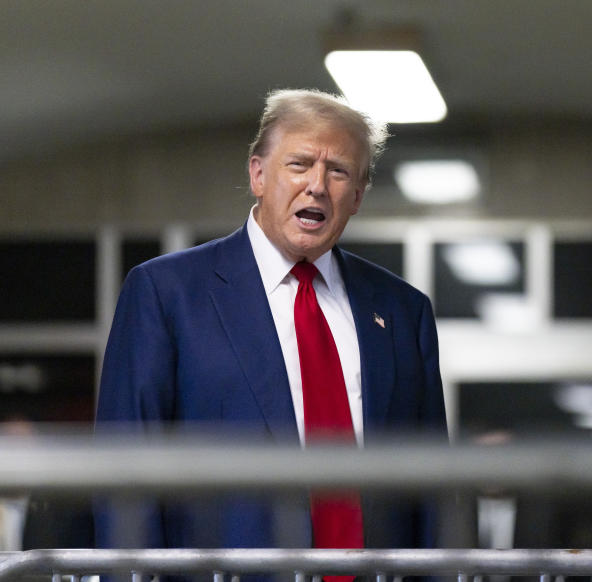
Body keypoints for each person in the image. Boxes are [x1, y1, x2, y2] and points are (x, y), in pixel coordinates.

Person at [95, 89, 448, 564]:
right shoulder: (166, 293)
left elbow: (433, 491)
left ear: (359, 197)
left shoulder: (404, 311)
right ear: (258, 174)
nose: (318, 186)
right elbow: (125, 475)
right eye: (300, 164)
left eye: (338, 171)